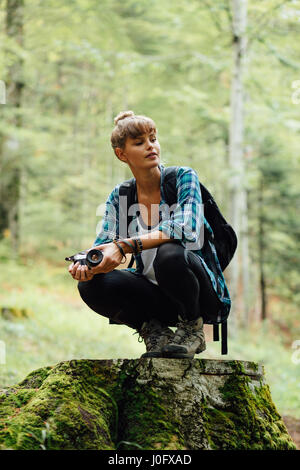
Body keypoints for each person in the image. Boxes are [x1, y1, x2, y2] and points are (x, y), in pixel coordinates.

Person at [68, 110, 231, 359]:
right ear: (121, 154)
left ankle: (191, 330)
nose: (150, 146)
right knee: (89, 285)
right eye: (139, 142)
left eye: (153, 139)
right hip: (155, 297)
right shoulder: (122, 194)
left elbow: (185, 226)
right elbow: (104, 242)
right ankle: (155, 332)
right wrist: (88, 264)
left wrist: (124, 247)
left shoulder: (182, 177)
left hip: (198, 291)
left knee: (170, 253)